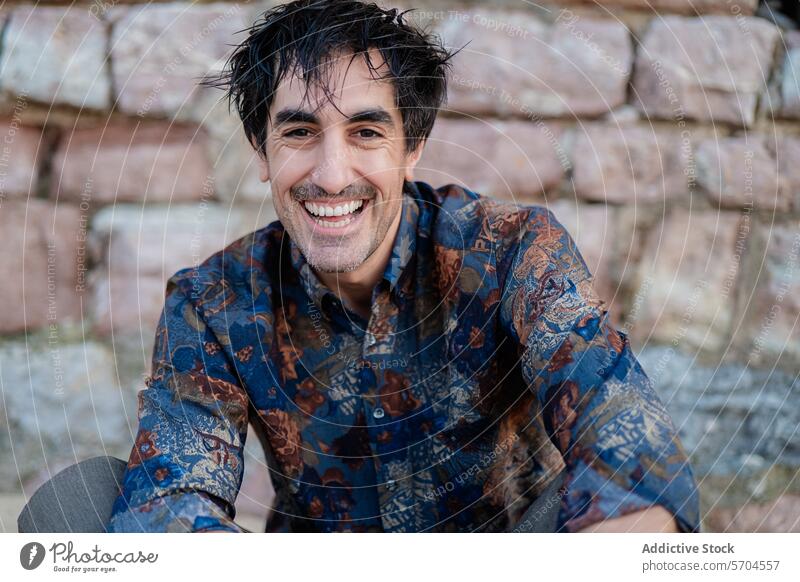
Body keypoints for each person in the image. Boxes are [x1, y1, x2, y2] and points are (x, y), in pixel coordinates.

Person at [29, 0, 700, 533]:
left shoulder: (512, 250)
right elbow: (173, 496)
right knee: (78, 506)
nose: (330, 174)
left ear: (412, 149)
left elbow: (614, 412)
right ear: (261, 153)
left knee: (629, 498)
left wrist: (625, 518)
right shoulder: (213, 302)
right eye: (297, 132)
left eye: (366, 132)